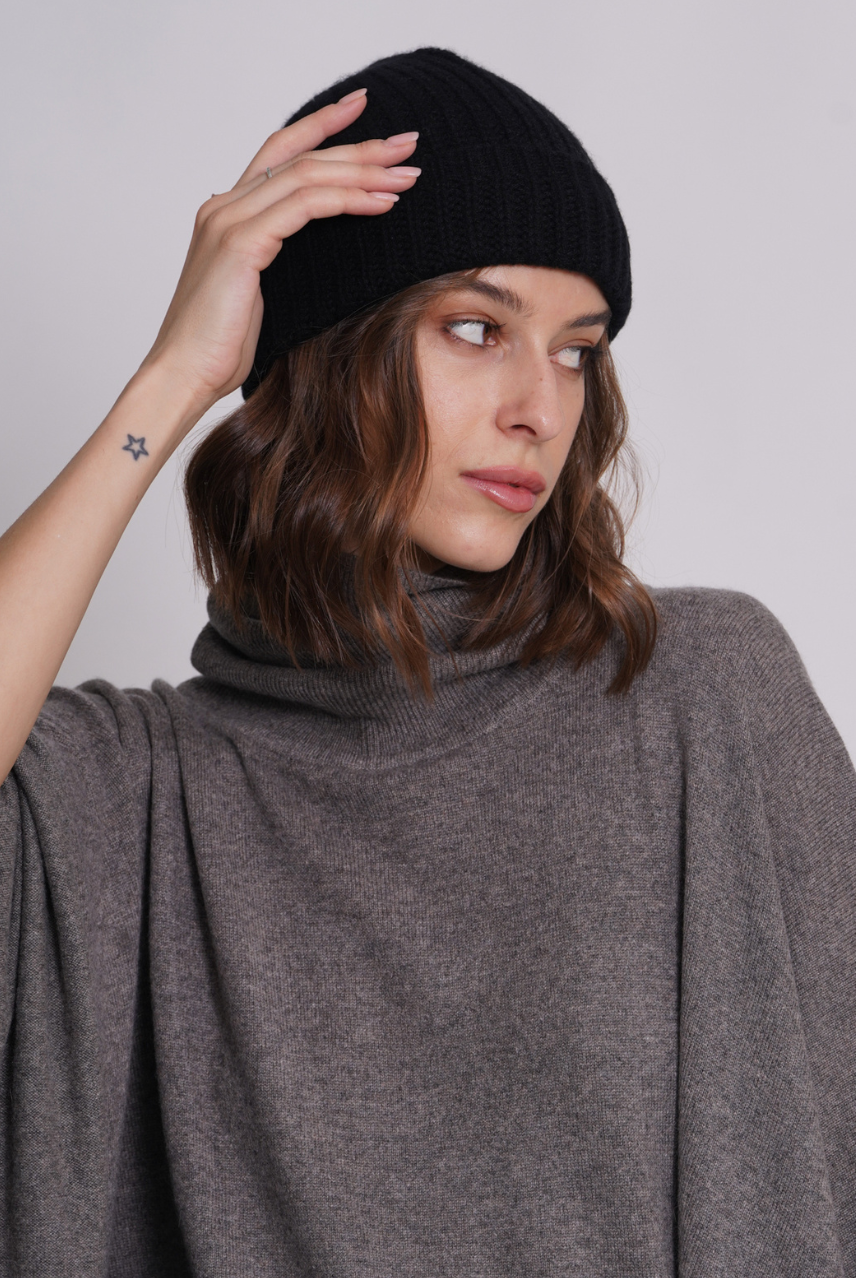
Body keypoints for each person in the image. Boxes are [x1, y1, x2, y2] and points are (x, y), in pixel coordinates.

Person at [0, 44, 854, 1278]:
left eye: (575, 349)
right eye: (474, 328)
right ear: (328, 353)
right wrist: (176, 378)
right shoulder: (134, 795)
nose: (539, 408)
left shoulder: (696, 693)